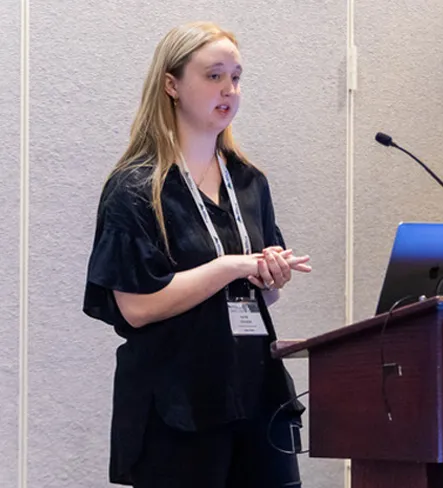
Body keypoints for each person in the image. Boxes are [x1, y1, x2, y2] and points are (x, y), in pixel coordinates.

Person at [82, 21, 311, 487]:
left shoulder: (250, 182)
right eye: (213, 76)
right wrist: (231, 266)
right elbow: (139, 306)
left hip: (254, 393)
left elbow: (255, 300)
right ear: (172, 84)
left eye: (236, 76)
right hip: (177, 405)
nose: (229, 89)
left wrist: (269, 277)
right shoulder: (135, 188)